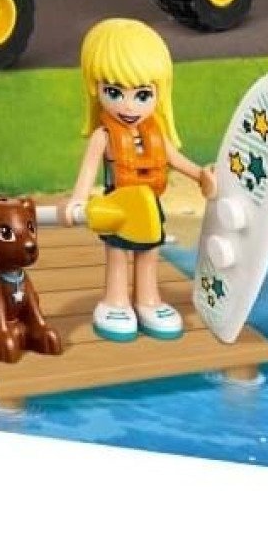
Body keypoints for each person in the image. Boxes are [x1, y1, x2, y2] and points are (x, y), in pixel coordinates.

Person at [68, 18, 216, 343]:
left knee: (149, 253)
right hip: (118, 205)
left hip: (149, 206)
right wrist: (78, 200)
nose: (128, 105)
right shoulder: (104, 136)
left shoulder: (155, 134)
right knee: (118, 254)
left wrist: (200, 176)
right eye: (114, 92)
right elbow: (88, 172)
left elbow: (175, 160)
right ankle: (115, 301)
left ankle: (149, 300)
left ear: (159, 93)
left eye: (143, 94)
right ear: (95, 88)